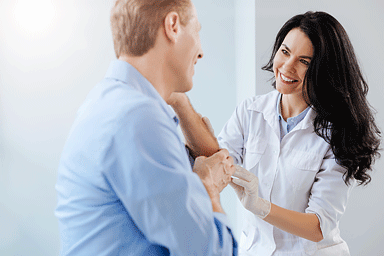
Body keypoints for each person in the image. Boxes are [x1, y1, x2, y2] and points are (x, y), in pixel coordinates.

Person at [170, 11, 381, 255]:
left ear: (323, 70)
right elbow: (216, 159)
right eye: (285, 51)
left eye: (305, 62)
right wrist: (179, 100)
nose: (287, 67)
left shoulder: (338, 133)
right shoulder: (251, 111)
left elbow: (318, 226)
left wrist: (261, 206)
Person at [54, 0, 238, 255]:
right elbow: (213, 251)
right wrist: (208, 190)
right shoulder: (139, 120)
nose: (200, 52)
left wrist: (173, 94)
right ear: (173, 26)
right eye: (197, 31)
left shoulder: (108, 103)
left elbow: (209, 153)